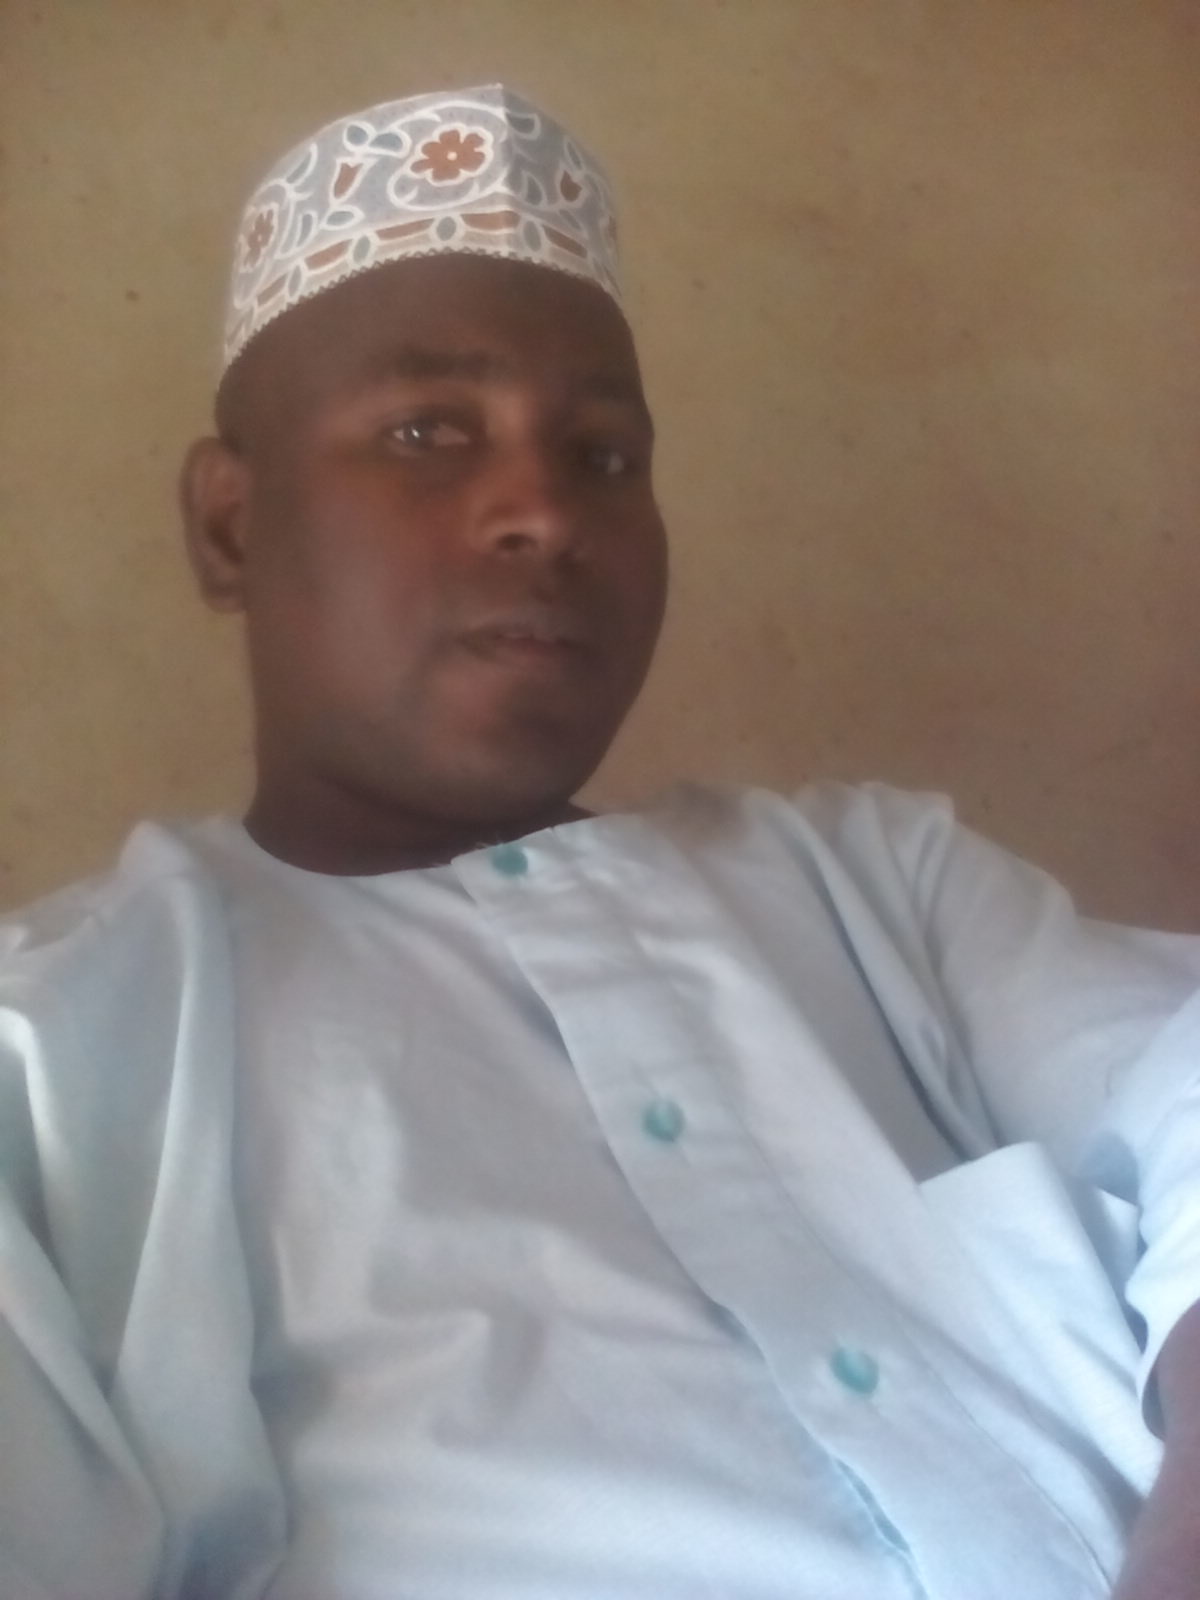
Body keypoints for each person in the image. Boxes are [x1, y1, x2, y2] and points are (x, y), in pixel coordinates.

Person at [1, 84, 1197, 1600]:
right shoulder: (60, 1050)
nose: (544, 512)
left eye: (605, 456)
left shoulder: (876, 885)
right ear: (230, 523)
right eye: (428, 432)